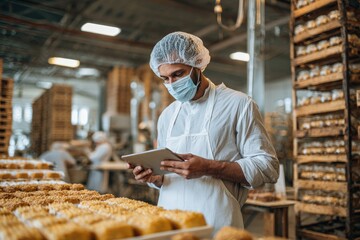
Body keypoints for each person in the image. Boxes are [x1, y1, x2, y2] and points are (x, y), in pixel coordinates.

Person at [129, 31, 279, 233]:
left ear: (197, 65)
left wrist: (209, 167)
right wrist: (155, 179)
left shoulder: (238, 104)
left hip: (217, 224)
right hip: (170, 224)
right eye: (165, 78)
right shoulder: (167, 115)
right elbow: (166, 173)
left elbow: (267, 167)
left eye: (178, 74)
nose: (172, 85)